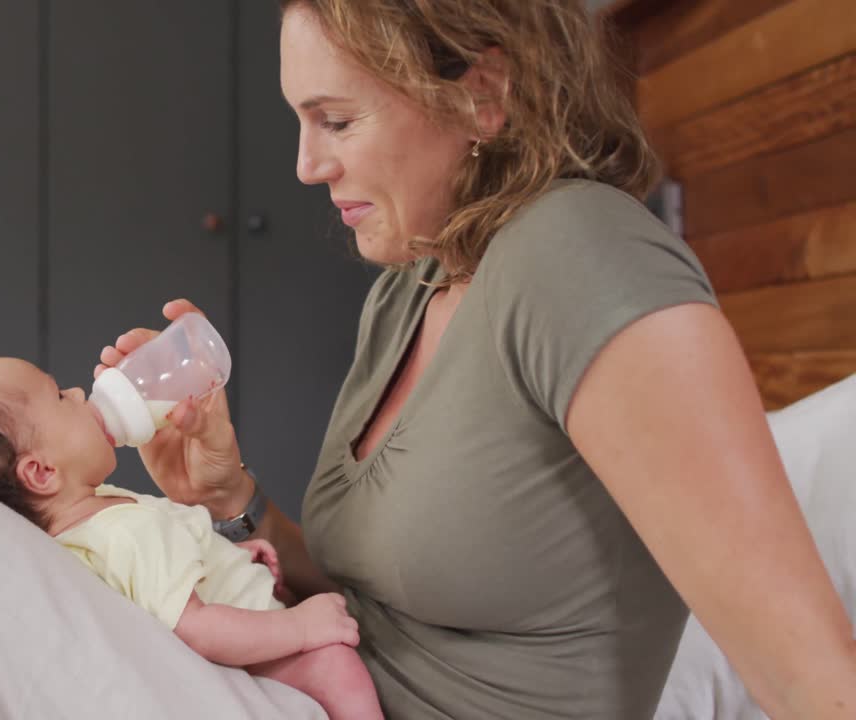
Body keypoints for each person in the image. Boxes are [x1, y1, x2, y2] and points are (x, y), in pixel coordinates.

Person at [94, 1, 856, 718]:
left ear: (481, 95)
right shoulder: (411, 285)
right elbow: (372, 607)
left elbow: (811, 684)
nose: (306, 165)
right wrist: (232, 501)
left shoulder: (583, 261)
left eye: (335, 119)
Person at [0, 357, 384, 719]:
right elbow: (199, 628)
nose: (83, 395)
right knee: (337, 667)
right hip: (258, 656)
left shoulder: (83, 529)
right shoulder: (125, 530)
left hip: (247, 621)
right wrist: (302, 627)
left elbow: (153, 590)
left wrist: (222, 559)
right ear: (41, 472)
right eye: (61, 396)